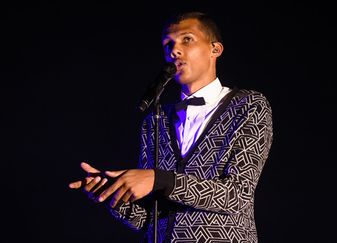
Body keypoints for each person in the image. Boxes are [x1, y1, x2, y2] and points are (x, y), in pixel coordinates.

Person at [69, 11, 273, 242]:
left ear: (215, 49)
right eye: (168, 44)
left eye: (187, 39)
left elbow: (238, 195)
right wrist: (111, 194)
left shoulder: (248, 105)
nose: (174, 50)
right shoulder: (156, 119)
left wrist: (160, 179)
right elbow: (149, 221)